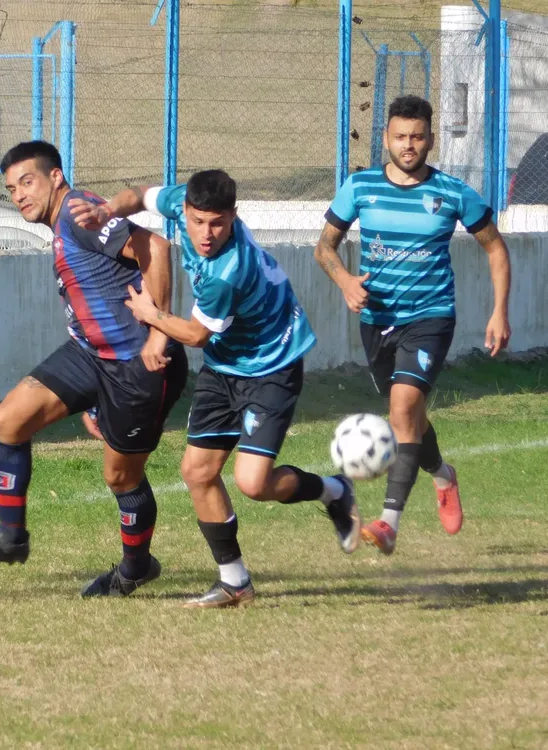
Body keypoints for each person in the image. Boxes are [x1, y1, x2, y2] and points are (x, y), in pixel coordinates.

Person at [71, 169, 361, 609]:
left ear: (234, 216)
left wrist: (151, 315)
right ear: (185, 209)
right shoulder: (181, 203)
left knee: (252, 482)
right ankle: (234, 582)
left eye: (218, 223)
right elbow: (140, 195)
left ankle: (334, 491)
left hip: (272, 364)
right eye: (198, 221)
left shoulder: (229, 269)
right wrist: (106, 210)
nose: (206, 234)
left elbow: (195, 335)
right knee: (197, 472)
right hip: (225, 364)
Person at [0, 140, 188, 598]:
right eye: (11, 188)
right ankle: (10, 539)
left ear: (55, 177)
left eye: (28, 182)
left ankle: (136, 567)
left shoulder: (79, 213)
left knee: (121, 477)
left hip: (136, 365)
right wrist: (91, 394)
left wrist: (160, 330)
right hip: (89, 354)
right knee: (9, 419)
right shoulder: (63, 222)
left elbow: (156, 249)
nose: (19, 195)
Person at [313, 94, 512, 555]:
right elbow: (324, 248)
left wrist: (499, 310)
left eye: (417, 137)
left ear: (431, 140)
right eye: (400, 137)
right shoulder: (359, 187)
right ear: (386, 138)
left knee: (402, 411)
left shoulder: (453, 193)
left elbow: (496, 248)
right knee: (413, 419)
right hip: (376, 322)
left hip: (430, 317)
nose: (408, 145)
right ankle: (443, 475)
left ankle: (388, 522)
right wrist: (345, 281)